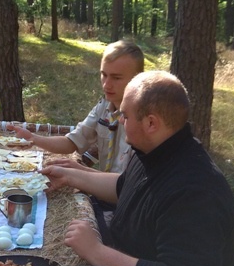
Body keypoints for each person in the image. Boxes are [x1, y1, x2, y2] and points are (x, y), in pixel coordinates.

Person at [41, 71, 234, 266]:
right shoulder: (158, 150)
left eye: (124, 115)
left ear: (150, 123)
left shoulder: (196, 192)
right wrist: (74, 174)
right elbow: (127, 188)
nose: (119, 120)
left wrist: (97, 252)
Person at [9, 40, 144, 173]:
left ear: (138, 78)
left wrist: (79, 171)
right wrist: (33, 138)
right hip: (104, 191)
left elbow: (126, 186)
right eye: (104, 75)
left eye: (116, 78)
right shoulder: (104, 107)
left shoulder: (143, 121)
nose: (106, 85)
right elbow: (72, 142)